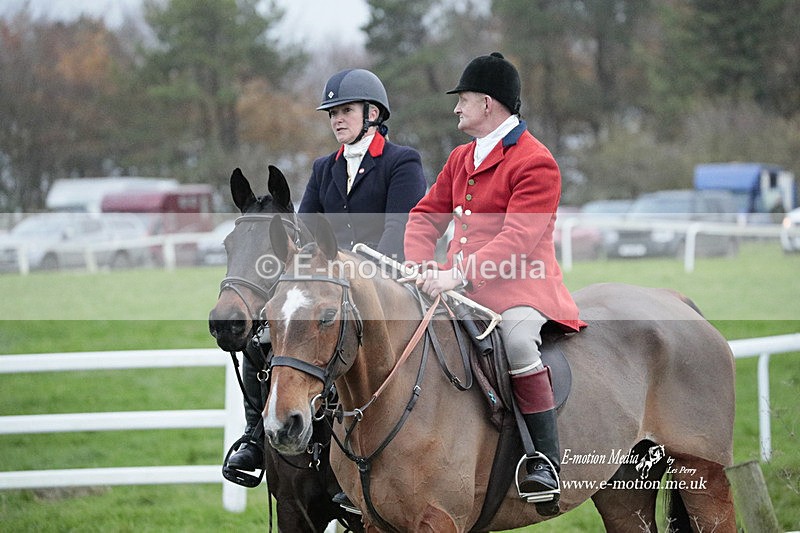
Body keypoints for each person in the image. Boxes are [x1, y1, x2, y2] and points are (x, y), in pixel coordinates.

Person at [224, 69, 427, 484]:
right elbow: (306, 233)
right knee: (265, 337)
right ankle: (254, 440)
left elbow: (397, 234)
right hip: (330, 285)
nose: (337, 119)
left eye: (345, 110)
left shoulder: (401, 162)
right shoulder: (322, 168)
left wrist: (348, 272)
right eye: (332, 113)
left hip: (384, 286)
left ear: (373, 113)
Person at [403, 52, 586, 512]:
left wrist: (455, 274)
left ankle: (544, 461)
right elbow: (426, 215)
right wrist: (419, 264)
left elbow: (518, 239)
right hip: (457, 289)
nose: (456, 110)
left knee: (519, 343)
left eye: (462, 100)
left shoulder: (536, 161)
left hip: (520, 289)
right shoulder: (461, 157)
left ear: (487, 103)